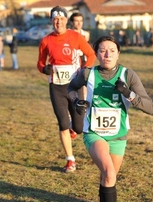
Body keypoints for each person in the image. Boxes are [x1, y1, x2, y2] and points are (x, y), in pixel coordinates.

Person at [67, 35, 153, 202]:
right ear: (96, 54)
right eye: (103, 50)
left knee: (109, 178)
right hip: (94, 133)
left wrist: (129, 94)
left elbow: (150, 107)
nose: (107, 54)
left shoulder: (128, 75)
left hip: (118, 135)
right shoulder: (88, 73)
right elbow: (69, 89)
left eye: (112, 50)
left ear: (118, 53)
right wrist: (76, 102)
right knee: (108, 171)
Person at [37, 6, 96, 173]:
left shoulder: (76, 37)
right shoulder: (46, 40)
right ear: (51, 21)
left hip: (74, 86)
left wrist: (84, 70)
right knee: (62, 123)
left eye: (61, 19)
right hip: (56, 86)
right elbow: (40, 63)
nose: (58, 22)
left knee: (78, 127)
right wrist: (44, 69)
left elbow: (91, 55)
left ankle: (73, 128)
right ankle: (70, 160)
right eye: (55, 19)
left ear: (65, 20)